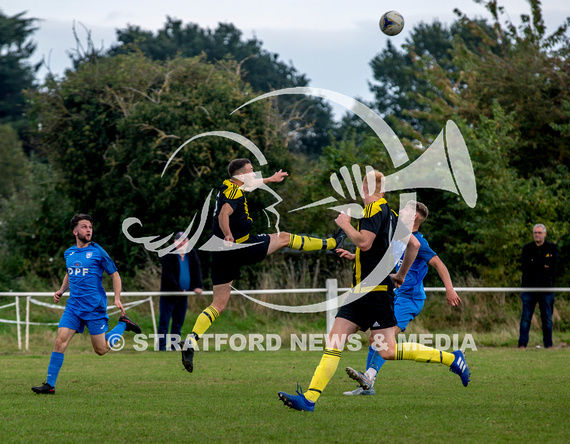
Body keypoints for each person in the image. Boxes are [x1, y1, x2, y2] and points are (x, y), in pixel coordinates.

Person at [278, 171, 470, 412]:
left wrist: (345, 225)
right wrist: (399, 275)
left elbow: (364, 242)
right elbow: (411, 244)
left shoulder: (373, 209)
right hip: (360, 293)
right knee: (334, 343)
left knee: (387, 351)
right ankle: (309, 399)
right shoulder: (390, 214)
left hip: (377, 295)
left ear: (363, 188)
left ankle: (452, 359)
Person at [179, 158, 346, 372]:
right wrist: (229, 234)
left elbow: (248, 186)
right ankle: (332, 243)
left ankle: (192, 341)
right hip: (239, 246)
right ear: (240, 175)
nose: (254, 174)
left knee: (218, 304)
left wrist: (271, 179)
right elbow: (223, 214)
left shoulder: (229, 186)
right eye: (250, 171)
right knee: (284, 237)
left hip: (220, 253)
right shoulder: (234, 193)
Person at [339, 200, 462, 396]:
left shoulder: (418, 241)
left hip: (409, 299)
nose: (400, 210)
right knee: (375, 338)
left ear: (414, 217)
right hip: (394, 296)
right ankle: (368, 382)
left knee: (382, 340)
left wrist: (450, 289)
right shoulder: (399, 239)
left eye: (405, 209)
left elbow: (439, 264)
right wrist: (354, 257)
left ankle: (369, 377)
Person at [32, 214, 141, 395]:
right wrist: (61, 290)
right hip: (74, 307)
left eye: (90, 227)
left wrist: (117, 298)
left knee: (101, 349)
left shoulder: (98, 252)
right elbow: (70, 272)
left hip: (94, 308)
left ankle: (123, 324)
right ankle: (49, 385)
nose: (88, 230)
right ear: (75, 231)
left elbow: (115, 274)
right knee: (60, 341)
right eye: (84, 227)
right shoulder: (69, 253)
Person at [157, 232, 203, 351]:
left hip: (183, 296)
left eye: (184, 241)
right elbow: (169, 275)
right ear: (175, 242)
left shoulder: (191, 254)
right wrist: (178, 289)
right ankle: (161, 348)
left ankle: (174, 347)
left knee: (178, 323)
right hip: (169, 294)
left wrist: (197, 286)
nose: (182, 243)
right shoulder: (168, 254)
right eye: (180, 241)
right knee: (164, 323)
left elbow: (196, 271)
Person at [518, 223, 558, 349]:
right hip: (529, 289)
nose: (537, 235)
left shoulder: (552, 248)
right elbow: (525, 267)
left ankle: (548, 345)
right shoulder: (527, 248)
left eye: (539, 233)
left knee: (547, 319)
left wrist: (539, 265)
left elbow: (554, 267)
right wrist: (543, 265)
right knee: (525, 318)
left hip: (546, 289)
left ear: (544, 234)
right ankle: (522, 345)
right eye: (535, 233)